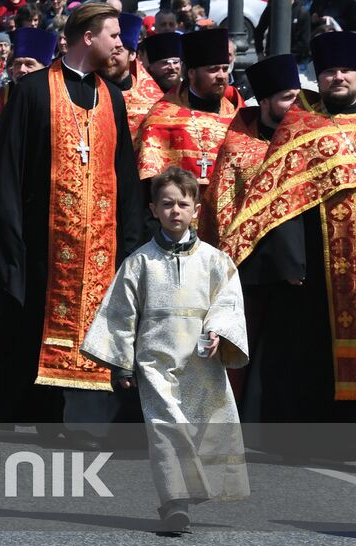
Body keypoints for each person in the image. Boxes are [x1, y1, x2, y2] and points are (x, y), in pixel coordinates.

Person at [0, 2, 145, 437]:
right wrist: (9, 239)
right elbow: (3, 171)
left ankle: (85, 422)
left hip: (99, 244)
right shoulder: (34, 91)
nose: (121, 44)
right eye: (114, 35)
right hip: (39, 240)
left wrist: (130, 241)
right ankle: (42, 412)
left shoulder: (113, 98)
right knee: (29, 328)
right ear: (88, 37)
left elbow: (125, 176)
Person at [83, 166, 248, 535]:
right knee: (166, 430)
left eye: (183, 204)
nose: (175, 211)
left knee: (207, 429)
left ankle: (193, 492)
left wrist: (219, 332)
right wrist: (122, 364)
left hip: (201, 363)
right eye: (167, 204)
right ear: (154, 209)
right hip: (155, 362)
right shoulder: (139, 263)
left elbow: (227, 303)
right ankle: (175, 503)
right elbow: (121, 314)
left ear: (196, 209)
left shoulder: (215, 261)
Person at [221, 31, 356, 438]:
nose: (338, 78)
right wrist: (291, 260)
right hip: (318, 263)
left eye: (346, 70)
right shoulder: (301, 124)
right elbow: (277, 196)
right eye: (329, 71)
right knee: (312, 349)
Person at [202, 54, 301, 403]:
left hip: (298, 267)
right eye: (286, 97)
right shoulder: (239, 143)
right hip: (250, 264)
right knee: (240, 346)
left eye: (296, 95)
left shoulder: (306, 138)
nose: (294, 105)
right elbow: (221, 205)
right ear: (266, 100)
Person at [135, 28, 237, 190]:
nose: (221, 76)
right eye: (213, 69)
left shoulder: (236, 117)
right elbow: (150, 182)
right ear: (191, 73)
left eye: (225, 69)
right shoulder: (161, 118)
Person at [0, 26, 56, 153]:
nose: (21, 69)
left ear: (45, 68)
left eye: (29, 64)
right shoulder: (8, 93)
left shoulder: (57, 94)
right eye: (17, 64)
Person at [103, 12, 165, 139]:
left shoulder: (153, 102)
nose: (109, 58)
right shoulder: (89, 92)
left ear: (132, 55)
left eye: (118, 51)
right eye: (106, 51)